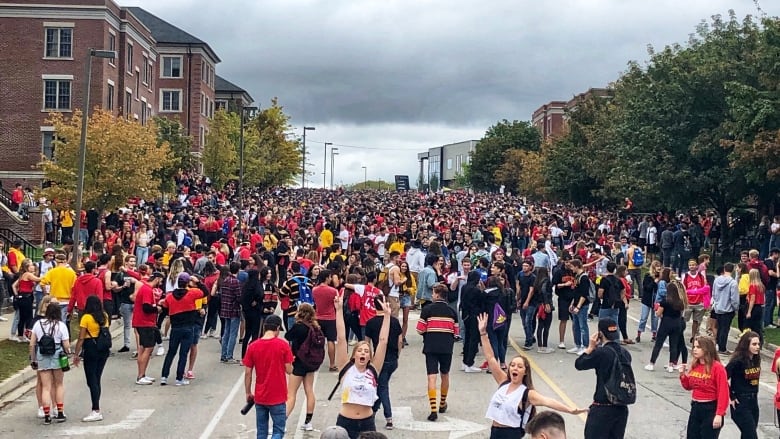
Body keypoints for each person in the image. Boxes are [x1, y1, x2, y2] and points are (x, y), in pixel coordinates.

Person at [477, 313, 585, 438]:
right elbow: (490, 358)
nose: (515, 368)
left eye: (519, 366)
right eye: (512, 365)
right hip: (495, 431)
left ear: (525, 372)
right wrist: (483, 333)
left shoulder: (527, 394)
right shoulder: (503, 382)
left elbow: (548, 402)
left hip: (511, 434)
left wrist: (570, 410)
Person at [334, 293, 391, 439]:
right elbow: (341, 339)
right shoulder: (346, 368)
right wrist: (339, 310)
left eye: (366, 351)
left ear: (369, 357)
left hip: (367, 422)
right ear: (354, 355)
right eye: (359, 350)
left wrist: (387, 316)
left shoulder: (373, 369)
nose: (363, 353)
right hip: (346, 421)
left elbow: (383, 341)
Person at [574, 318, 634, 439]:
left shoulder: (602, 353)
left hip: (603, 407)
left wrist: (590, 348)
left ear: (600, 334)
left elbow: (579, 364)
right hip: (621, 408)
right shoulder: (625, 353)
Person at [243, 315, 293, 439]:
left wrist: (248, 392)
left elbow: (248, 372)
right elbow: (289, 370)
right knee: (278, 430)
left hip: (260, 395)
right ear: (277, 328)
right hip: (278, 394)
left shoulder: (253, 346)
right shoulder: (283, 345)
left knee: (261, 431)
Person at [416, 283, 458, 421]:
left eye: (433, 293)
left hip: (431, 347)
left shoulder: (427, 310)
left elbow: (420, 329)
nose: (432, 295)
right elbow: (456, 333)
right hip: (447, 347)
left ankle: (433, 409)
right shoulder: (452, 312)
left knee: (431, 377)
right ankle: (442, 403)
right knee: (445, 374)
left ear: (437, 295)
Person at [160, 272, 208, 386]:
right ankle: (179, 378)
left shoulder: (170, 296)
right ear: (187, 283)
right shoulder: (192, 293)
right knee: (183, 354)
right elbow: (205, 292)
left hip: (175, 327)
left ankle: (164, 376)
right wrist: (198, 282)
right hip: (188, 327)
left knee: (171, 352)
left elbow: (165, 307)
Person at [364, 294, 403, 430]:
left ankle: (388, 417)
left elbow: (367, 343)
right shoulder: (395, 321)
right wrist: (398, 355)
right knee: (382, 385)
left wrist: (368, 359)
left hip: (379, 359)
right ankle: (374, 411)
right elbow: (399, 341)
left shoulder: (370, 323)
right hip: (392, 358)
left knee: (382, 387)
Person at [29, 303, 71, 424]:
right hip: (57, 354)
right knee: (58, 384)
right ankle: (60, 411)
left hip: (42, 355)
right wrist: (68, 353)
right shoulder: (61, 326)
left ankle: (47, 414)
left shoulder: (38, 324)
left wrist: (33, 359)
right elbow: (67, 345)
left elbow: (32, 343)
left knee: (46, 387)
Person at [680, 336, 730, 439]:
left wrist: (719, 414)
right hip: (696, 408)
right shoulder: (695, 365)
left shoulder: (717, 368)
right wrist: (682, 375)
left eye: (698, 347)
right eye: (694, 347)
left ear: (707, 349)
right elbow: (689, 386)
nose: (695, 349)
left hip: (710, 408)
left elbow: (723, 392)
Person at [285, 303, 323, 431]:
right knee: (309, 391)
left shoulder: (298, 326)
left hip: (299, 362)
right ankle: (308, 422)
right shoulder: (315, 327)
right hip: (310, 363)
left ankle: (282, 420)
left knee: (291, 394)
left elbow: (287, 336)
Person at [72, 295, 110, 422]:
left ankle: (96, 409)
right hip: (103, 349)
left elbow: (81, 337)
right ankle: (96, 407)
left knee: (91, 379)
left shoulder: (86, 318)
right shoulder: (104, 316)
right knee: (97, 377)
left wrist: (76, 354)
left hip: (91, 348)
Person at [645, 276, 688, 372]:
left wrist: (658, 312)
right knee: (674, 344)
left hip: (666, 322)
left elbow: (658, 313)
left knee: (658, 343)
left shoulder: (665, 301)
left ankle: (652, 363)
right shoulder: (680, 302)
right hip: (677, 322)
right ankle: (671, 365)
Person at [725, 331, 761, 439]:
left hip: (753, 401)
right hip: (741, 402)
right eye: (754, 344)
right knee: (751, 436)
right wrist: (731, 395)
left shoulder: (755, 359)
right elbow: (722, 378)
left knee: (747, 434)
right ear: (746, 345)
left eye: (758, 344)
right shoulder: (737, 361)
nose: (757, 347)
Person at [132, 271, 165, 385]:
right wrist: (157, 309)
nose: (160, 283)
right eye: (160, 281)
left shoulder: (145, 288)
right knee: (148, 348)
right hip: (145, 322)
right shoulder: (147, 289)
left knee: (142, 348)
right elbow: (146, 307)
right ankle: (141, 376)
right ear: (156, 279)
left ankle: (142, 374)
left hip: (142, 322)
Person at [711, 263, 739, 354]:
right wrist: (736, 308)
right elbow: (734, 298)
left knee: (719, 327)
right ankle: (722, 348)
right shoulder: (732, 282)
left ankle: (718, 344)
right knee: (725, 329)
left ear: (724, 269)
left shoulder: (717, 280)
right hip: (728, 309)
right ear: (733, 270)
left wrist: (716, 303)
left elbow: (714, 294)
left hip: (718, 307)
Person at [636, 261, 660, 343]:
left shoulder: (661, 277)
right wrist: (654, 282)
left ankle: (654, 334)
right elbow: (647, 288)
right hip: (647, 300)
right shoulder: (648, 276)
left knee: (655, 318)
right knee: (644, 317)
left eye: (659, 266)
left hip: (656, 300)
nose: (658, 268)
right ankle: (639, 333)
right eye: (656, 266)